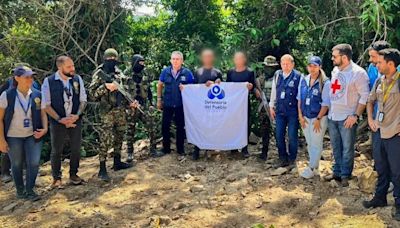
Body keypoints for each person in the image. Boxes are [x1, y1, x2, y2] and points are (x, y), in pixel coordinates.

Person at [323, 44, 369, 187]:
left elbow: (365, 96)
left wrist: (355, 115)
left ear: (344, 57)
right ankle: (336, 172)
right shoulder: (336, 70)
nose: (332, 59)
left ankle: (345, 174)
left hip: (347, 117)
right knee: (335, 146)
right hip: (333, 116)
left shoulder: (358, 73)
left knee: (347, 147)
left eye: (334, 56)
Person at [362, 48, 400, 221]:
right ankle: (380, 198)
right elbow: (370, 101)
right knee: (381, 167)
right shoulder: (379, 81)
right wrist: (370, 119)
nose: (376, 64)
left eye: (379, 62)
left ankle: (399, 204)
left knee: (397, 171)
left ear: (390, 64)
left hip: (395, 134)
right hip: (379, 131)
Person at [0, 66, 48, 201]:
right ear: (17, 78)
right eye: (27, 77)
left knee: (33, 162)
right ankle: (20, 190)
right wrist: (1, 140)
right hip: (13, 135)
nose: (30, 79)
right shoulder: (7, 95)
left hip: (32, 134)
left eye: (31, 77)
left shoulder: (37, 94)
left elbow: (43, 114)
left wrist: (44, 128)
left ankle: (30, 190)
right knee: (16, 163)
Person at [89, 48, 134, 181]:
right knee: (105, 139)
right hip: (107, 111)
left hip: (120, 110)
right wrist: (105, 88)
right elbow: (92, 94)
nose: (111, 61)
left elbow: (124, 91)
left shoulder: (119, 72)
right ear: (104, 59)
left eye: (114, 59)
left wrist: (130, 103)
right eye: (109, 59)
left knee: (120, 135)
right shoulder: (99, 73)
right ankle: (102, 168)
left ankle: (117, 162)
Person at [42, 56, 87, 188]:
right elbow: (46, 105)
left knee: (76, 148)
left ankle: (73, 174)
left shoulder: (77, 79)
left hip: (75, 119)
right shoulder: (49, 81)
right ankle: (56, 178)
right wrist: (60, 119)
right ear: (60, 67)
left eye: (73, 66)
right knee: (57, 150)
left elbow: (83, 100)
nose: (72, 69)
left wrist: (76, 115)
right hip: (58, 121)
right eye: (69, 67)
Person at [124, 54, 164, 161]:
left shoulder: (144, 73)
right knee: (130, 130)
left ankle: (153, 149)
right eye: (140, 62)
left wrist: (151, 103)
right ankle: (129, 153)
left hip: (144, 105)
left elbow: (149, 89)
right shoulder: (126, 74)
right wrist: (128, 104)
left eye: (143, 63)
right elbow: (123, 92)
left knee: (151, 127)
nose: (142, 65)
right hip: (131, 106)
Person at [297, 56, 330, 179]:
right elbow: (299, 99)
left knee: (316, 142)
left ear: (320, 67)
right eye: (310, 65)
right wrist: (300, 115)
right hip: (305, 117)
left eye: (315, 66)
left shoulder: (325, 82)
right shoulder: (304, 80)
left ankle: (311, 167)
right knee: (310, 143)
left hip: (318, 118)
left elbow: (326, 103)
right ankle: (314, 167)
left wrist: (318, 119)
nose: (312, 68)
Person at [157, 51, 194, 158]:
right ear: (170, 60)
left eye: (177, 59)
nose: (175, 61)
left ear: (182, 61)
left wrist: (186, 88)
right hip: (168, 103)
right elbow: (160, 85)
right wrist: (159, 99)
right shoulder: (165, 72)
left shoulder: (187, 73)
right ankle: (166, 148)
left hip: (181, 104)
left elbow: (193, 88)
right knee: (165, 126)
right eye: (173, 59)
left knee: (180, 127)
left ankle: (180, 149)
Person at [269, 54, 302, 168]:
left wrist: (300, 112)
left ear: (293, 64)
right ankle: (282, 158)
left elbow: (300, 95)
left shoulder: (298, 76)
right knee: (279, 135)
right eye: (283, 63)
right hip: (280, 110)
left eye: (288, 63)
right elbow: (274, 91)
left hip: (293, 111)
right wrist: (271, 106)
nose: (285, 66)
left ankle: (292, 158)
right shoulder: (277, 75)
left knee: (292, 136)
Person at [192, 49, 223, 160]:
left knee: (212, 125)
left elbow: (222, 88)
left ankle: (211, 149)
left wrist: (216, 82)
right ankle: (196, 150)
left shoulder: (217, 72)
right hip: (200, 104)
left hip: (212, 104)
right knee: (199, 125)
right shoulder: (197, 72)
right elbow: (192, 88)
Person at [226, 51, 256, 158]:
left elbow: (254, 88)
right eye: (236, 58)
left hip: (244, 103)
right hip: (233, 104)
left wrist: (251, 87)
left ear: (244, 59)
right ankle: (233, 147)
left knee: (245, 125)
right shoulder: (230, 72)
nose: (238, 60)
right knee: (233, 124)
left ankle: (244, 148)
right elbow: (227, 87)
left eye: (240, 58)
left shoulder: (250, 72)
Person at [255, 55, 278, 161]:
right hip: (264, 108)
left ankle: (281, 153)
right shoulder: (260, 80)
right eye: (267, 66)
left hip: (277, 108)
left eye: (271, 67)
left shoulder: (279, 78)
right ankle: (264, 152)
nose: (268, 69)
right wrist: (256, 91)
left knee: (279, 131)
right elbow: (255, 91)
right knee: (264, 131)